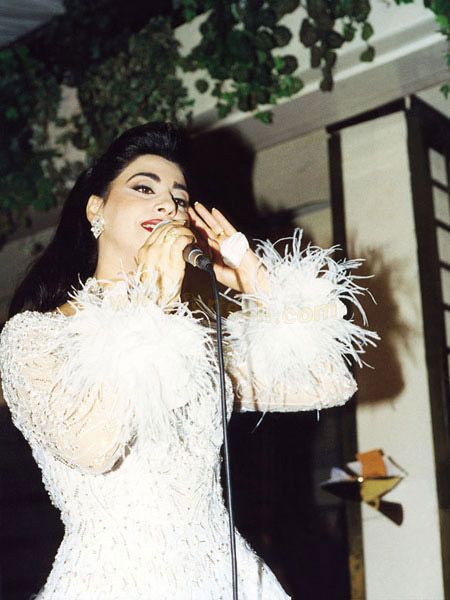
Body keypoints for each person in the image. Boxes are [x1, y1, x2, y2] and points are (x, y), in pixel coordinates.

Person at [0, 122, 379, 599]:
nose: (168, 206)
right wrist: (151, 300)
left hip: (226, 578)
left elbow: (330, 381)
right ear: (96, 208)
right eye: (144, 188)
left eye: (179, 198)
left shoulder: (194, 341)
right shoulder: (35, 336)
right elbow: (92, 446)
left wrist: (257, 280)